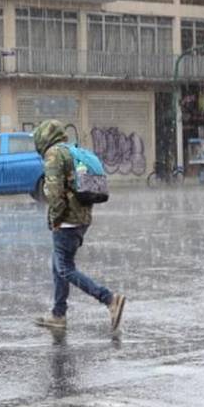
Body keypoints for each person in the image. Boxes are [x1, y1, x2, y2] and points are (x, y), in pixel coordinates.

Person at [32, 119, 125, 332]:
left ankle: (110, 299)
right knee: (58, 266)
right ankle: (58, 314)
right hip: (81, 217)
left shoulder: (54, 154)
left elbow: (54, 193)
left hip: (66, 221)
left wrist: (55, 220)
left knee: (65, 268)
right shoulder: (70, 150)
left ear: (44, 137)